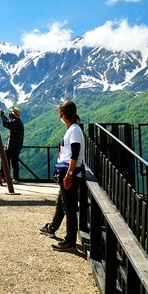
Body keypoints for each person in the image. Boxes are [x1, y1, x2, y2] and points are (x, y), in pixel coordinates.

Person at [39, 100, 86, 254]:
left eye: (60, 112)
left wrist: (69, 174)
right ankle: (52, 228)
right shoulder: (74, 129)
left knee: (69, 208)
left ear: (63, 114)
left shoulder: (73, 130)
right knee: (62, 202)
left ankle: (70, 242)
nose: (59, 115)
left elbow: (75, 153)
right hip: (68, 171)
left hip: (70, 173)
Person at [0, 107, 24, 183]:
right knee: (13, 162)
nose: (10, 114)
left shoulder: (15, 122)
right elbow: (9, 123)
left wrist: (2, 116)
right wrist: (4, 116)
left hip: (12, 146)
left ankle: (5, 176)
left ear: (14, 115)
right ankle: (11, 178)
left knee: (7, 161)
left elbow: (7, 124)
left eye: (11, 113)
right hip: (16, 146)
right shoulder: (17, 122)